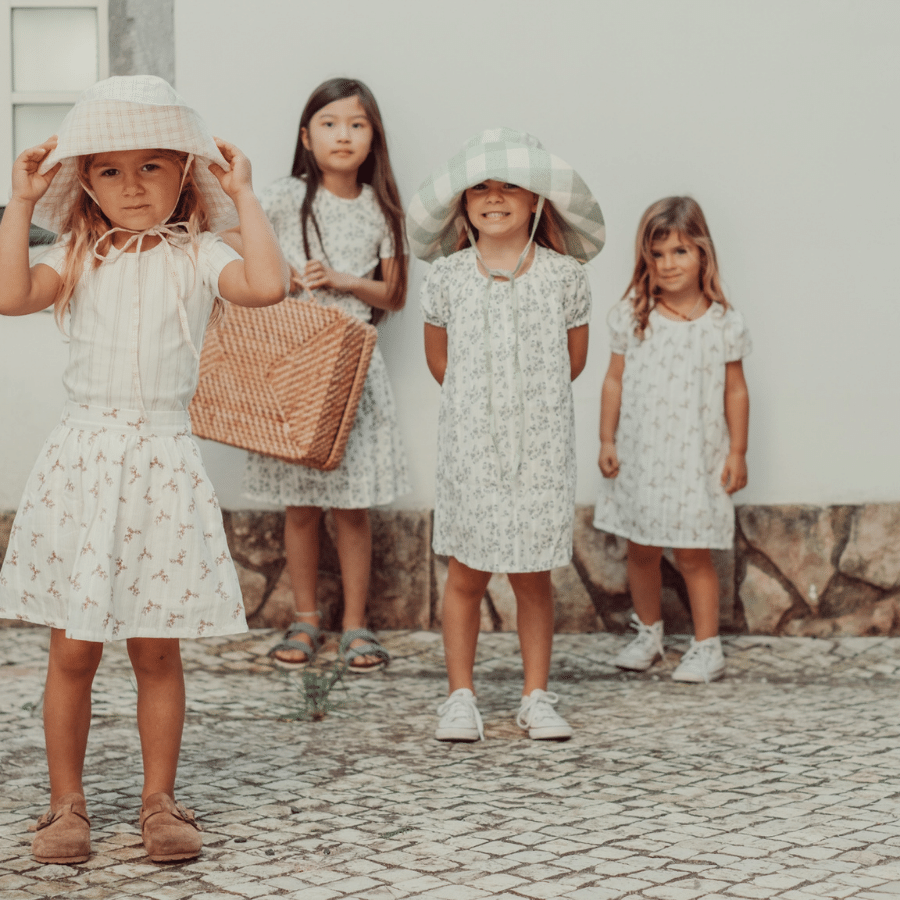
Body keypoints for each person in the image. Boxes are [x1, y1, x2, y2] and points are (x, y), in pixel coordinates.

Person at [0, 75, 289, 865]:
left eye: (152, 166)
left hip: (162, 460)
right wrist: (20, 202)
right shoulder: (74, 256)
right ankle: (67, 806)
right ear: (85, 185)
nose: (132, 185)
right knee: (73, 649)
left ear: (185, 174)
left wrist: (247, 197)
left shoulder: (201, 256)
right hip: (85, 461)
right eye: (110, 170)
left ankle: (160, 802)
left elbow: (268, 286)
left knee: (157, 649)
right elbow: (8, 295)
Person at [408, 128, 605, 741]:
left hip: (541, 449)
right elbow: (440, 363)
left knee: (532, 576)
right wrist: (479, 408)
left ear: (537, 200)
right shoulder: (446, 277)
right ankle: (460, 696)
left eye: (510, 186)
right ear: (462, 203)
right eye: (480, 188)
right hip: (470, 448)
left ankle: (536, 695)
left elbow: (572, 362)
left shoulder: (564, 276)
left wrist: (529, 404)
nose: (494, 198)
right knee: (466, 572)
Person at [235, 78, 410, 673]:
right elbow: (234, 241)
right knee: (301, 506)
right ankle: (305, 618)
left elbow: (395, 291)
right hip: (293, 365)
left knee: (352, 505)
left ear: (373, 137)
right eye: (330, 123)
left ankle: (356, 624)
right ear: (306, 136)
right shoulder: (283, 197)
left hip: (352, 368)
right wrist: (283, 274)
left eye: (357, 124)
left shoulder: (381, 206)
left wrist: (342, 280)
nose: (343, 134)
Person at [593, 196, 751, 683]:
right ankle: (650, 633)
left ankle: (707, 646)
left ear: (702, 252)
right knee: (640, 549)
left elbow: (736, 390)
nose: (668, 264)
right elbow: (614, 380)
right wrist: (607, 439)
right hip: (643, 457)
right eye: (657, 255)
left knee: (692, 553)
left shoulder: (723, 323)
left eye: (679, 252)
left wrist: (737, 452)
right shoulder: (634, 316)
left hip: (695, 459)